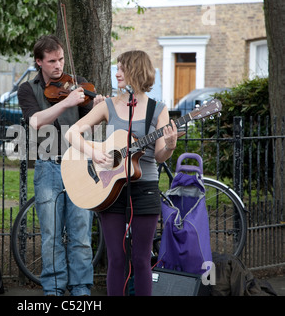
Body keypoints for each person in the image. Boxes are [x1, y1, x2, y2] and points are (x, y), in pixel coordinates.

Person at [65, 50, 178, 296]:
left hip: (145, 189)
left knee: (140, 259)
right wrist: (93, 153)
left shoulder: (158, 110)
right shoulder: (109, 106)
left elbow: (159, 156)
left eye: (122, 69)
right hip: (110, 190)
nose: (116, 73)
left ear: (136, 72)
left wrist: (169, 146)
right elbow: (71, 133)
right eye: (117, 68)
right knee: (116, 258)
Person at [17, 35, 100, 296]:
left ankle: (82, 288)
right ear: (39, 62)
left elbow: (90, 126)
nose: (59, 66)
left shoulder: (77, 87)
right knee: (51, 235)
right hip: (48, 166)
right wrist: (67, 102)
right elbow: (35, 122)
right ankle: (53, 289)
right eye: (52, 61)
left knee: (81, 232)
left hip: (78, 165)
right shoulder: (28, 89)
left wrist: (97, 107)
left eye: (61, 59)